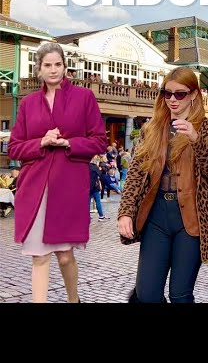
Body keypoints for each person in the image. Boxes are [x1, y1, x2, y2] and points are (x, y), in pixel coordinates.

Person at [7, 42, 108, 303]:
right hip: (35, 189)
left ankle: (74, 300)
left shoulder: (84, 98)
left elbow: (99, 141)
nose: (53, 70)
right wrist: (41, 141)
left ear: (65, 67)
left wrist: (68, 143)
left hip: (68, 188)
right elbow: (15, 148)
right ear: (39, 69)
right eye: (47, 65)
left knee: (65, 255)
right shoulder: (28, 104)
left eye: (58, 65)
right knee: (39, 257)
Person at [117, 67, 208, 303]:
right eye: (167, 94)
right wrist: (125, 212)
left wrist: (196, 139)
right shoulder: (152, 129)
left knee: (180, 295)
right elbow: (136, 174)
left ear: (194, 94)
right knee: (146, 294)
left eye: (180, 94)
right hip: (156, 216)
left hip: (192, 219)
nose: (172, 100)